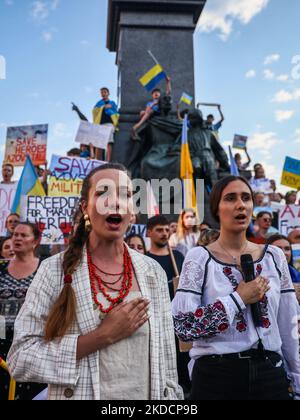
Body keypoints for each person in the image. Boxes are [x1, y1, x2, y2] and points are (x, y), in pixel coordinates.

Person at [7, 163, 182, 401]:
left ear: (132, 210)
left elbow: (167, 366)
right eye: (102, 193)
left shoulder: (153, 272)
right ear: (85, 207)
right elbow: (21, 358)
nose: (115, 201)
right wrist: (102, 336)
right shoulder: (53, 270)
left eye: (125, 195)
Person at [172, 175, 300, 400]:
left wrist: (297, 379)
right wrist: (237, 299)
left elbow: (288, 324)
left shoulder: (274, 257)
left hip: (270, 374)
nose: (241, 204)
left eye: (246, 198)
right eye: (230, 198)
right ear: (216, 209)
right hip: (217, 377)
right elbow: (185, 327)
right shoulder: (199, 258)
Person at [145, 215, 190, 397]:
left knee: (181, 356)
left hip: (177, 315)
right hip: (155, 316)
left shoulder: (178, 256)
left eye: (166, 230)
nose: (164, 234)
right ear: (149, 232)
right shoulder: (144, 260)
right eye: (159, 230)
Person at [0, 223, 45, 400]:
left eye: (23, 235)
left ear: (36, 241)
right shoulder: (1, 268)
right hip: (3, 344)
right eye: (15, 234)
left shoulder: (45, 269)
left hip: (33, 342)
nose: (17, 238)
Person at [93, 87, 119, 162]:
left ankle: (107, 161)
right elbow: (94, 111)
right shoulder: (99, 103)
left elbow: (116, 112)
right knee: (98, 144)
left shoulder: (112, 103)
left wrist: (109, 109)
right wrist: (102, 107)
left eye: (104, 92)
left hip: (109, 124)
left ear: (108, 93)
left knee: (109, 143)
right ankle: (97, 161)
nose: (103, 94)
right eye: (102, 92)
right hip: (100, 124)